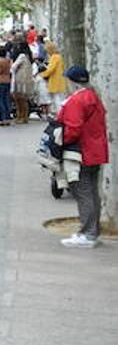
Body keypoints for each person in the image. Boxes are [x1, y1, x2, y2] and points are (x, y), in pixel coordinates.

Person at [57, 66, 108, 248]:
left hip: (81, 152)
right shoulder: (94, 97)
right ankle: (92, 231)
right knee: (92, 192)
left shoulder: (77, 101)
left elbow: (73, 128)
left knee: (82, 191)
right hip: (96, 150)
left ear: (72, 82)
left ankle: (87, 233)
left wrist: (60, 142)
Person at [39, 41, 67, 116]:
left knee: (57, 99)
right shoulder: (59, 57)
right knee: (60, 98)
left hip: (55, 80)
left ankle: (60, 115)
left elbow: (51, 69)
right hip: (60, 80)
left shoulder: (54, 57)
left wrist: (42, 74)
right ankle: (62, 114)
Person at [11, 45, 35, 125]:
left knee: (19, 99)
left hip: (19, 80)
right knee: (24, 100)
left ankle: (20, 116)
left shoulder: (21, 56)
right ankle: (24, 117)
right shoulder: (29, 57)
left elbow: (14, 67)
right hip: (26, 80)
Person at [0, 48, 14, 128]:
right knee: (6, 99)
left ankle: (2, 118)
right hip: (7, 80)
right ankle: (8, 117)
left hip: (0, 81)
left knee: (0, 100)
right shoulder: (8, 61)